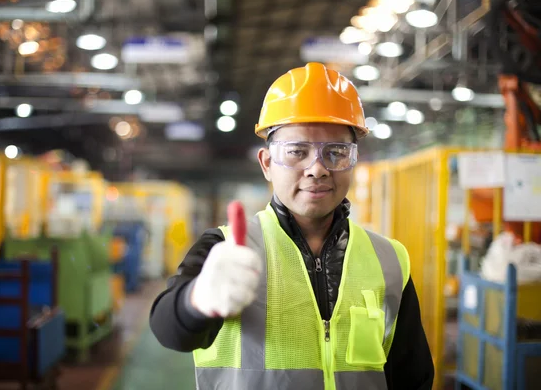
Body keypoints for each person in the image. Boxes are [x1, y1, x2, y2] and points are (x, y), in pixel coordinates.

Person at [150, 62, 434, 390]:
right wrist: (198, 299)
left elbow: (413, 376)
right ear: (267, 163)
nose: (317, 169)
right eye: (297, 152)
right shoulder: (225, 249)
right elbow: (168, 328)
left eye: (337, 152)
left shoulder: (390, 260)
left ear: (354, 161)